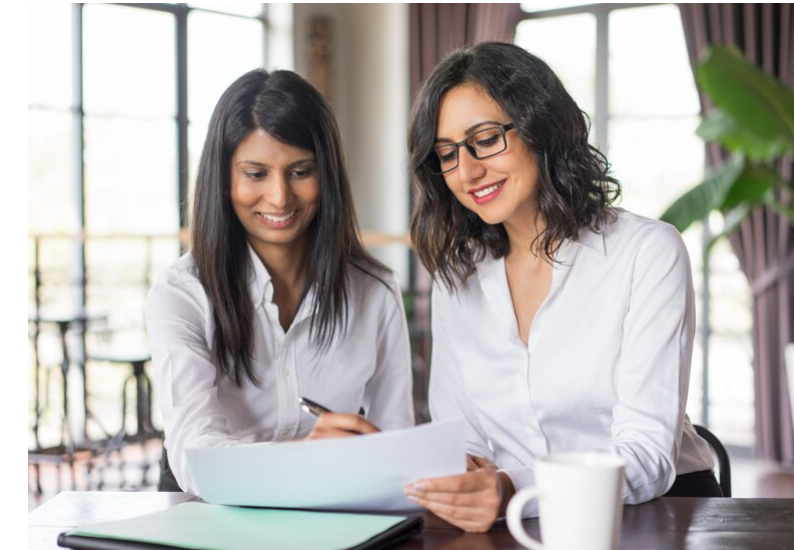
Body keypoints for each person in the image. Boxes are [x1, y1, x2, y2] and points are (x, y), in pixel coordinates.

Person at [403, 42, 719, 533]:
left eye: (485, 140)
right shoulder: (457, 278)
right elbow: (466, 442)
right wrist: (457, 475)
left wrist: (512, 487)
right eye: (447, 154)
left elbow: (647, 455)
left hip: (653, 516)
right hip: (520, 524)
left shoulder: (647, 252)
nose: (466, 172)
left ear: (542, 127)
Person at [146, 69, 414, 495]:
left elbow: (396, 440)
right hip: (209, 513)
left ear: (326, 175)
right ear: (224, 178)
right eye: (255, 174)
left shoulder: (375, 291)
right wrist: (303, 456)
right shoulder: (181, 294)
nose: (279, 197)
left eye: (300, 171)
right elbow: (195, 458)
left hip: (332, 506)